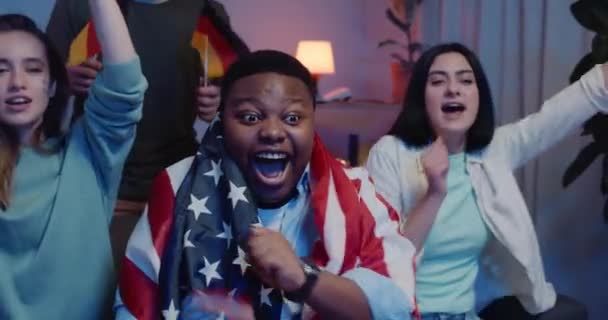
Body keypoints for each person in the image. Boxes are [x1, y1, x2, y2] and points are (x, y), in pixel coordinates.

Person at [114, 50, 420, 320]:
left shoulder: (356, 191)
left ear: (313, 122)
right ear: (222, 121)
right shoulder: (177, 185)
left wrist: (304, 278)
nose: (273, 131)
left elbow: (396, 308)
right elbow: (134, 306)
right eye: (250, 117)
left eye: (292, 117)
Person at [366, 42, 608, 319]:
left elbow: (553, 118)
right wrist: (434, 193)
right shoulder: (390, 153)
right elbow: (382, 260)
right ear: (421, 97)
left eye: (466, 80)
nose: (453, 89)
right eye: (437, 81)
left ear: (478, 96)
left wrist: (601, 79)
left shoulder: (494, 151)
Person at [46, 0, 235, 272]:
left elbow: (232, 88)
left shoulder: (205, 8)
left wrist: (218, 100)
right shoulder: (77, 5)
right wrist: (62, 79)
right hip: (94, 185)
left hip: (177, 189)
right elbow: (37, 74)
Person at [0, 0, 146, 318]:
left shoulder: (87, 154)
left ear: (52, 86)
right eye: (0, 70)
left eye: (33, 68)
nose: (17, 83)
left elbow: (126, 83)